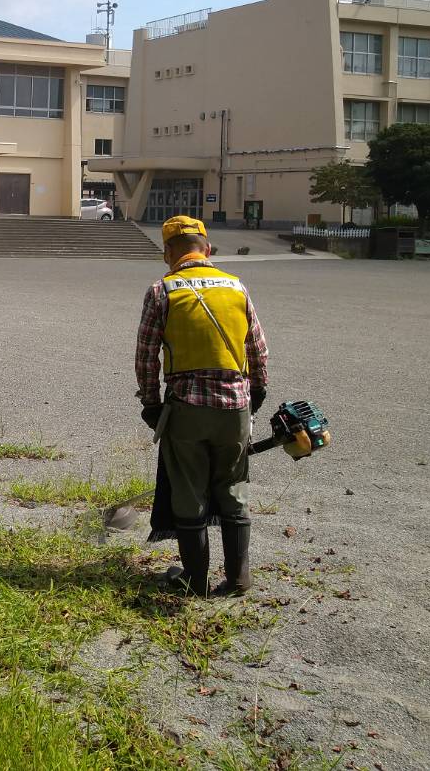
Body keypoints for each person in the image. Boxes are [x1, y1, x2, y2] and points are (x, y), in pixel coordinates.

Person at [135, 215, 268, 596]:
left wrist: (151, 403)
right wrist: (257, 391)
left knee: (188, 491)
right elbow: (258, 349)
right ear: (207, 249)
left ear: (168, 253)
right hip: (235, 407)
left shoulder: (162, 291)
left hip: (187, 408)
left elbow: (146, 356)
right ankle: (239, 579)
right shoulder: (236, 287)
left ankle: (195, 581)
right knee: (233, 488)